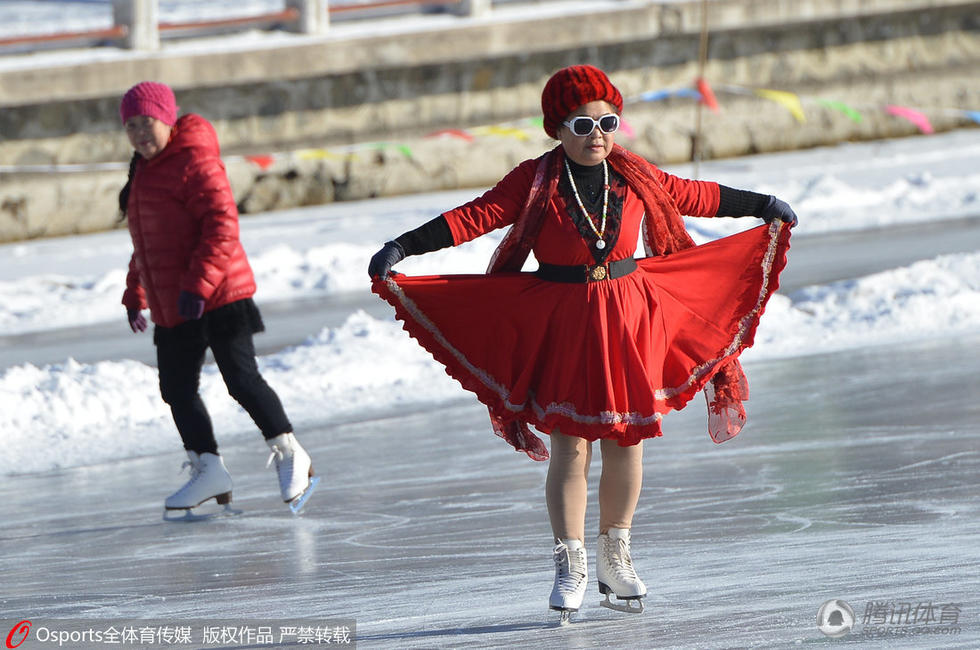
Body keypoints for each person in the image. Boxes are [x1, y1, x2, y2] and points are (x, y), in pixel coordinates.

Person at [368, 64, 796, 621]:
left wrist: (762, 204)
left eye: (608, 122)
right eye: (582, 124)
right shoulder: (534, 180)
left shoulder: (635, 173)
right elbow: (474, 217)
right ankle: (569, 561)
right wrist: (402, 246)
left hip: (630, 316)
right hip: (565, 321)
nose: (597, 134)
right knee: (572, 445)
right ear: (557, 128)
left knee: (627, 439)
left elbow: (697, 195)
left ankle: (616, 554)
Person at [118, 81, 318, 517]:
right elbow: (148, 243)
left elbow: (222, 227)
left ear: (167, 119)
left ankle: (290, 453)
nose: (139, 133)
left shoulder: (194, 159)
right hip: (176, 301)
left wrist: (198, 285)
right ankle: (208, 468)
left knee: (241, 379)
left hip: (220, 293)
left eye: (146, 122)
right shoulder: (143, 169)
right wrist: (136, 292)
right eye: (130, 125)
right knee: (176, 389)